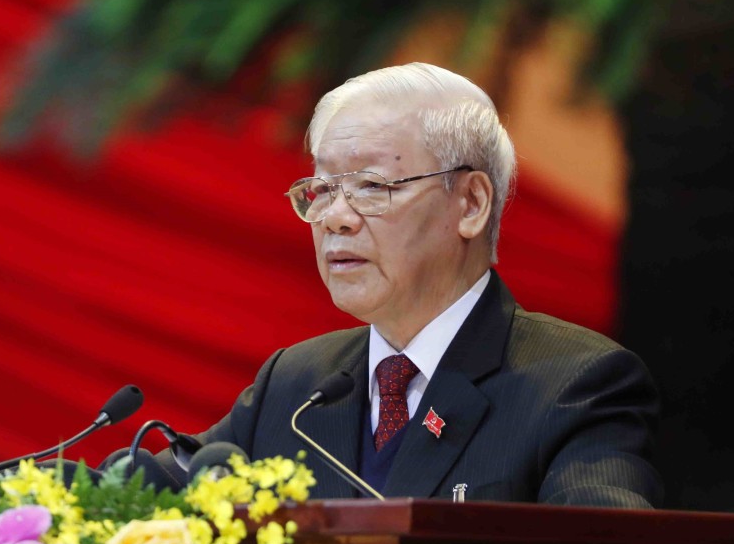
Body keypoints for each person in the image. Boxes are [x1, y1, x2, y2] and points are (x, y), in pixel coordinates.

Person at [133, 62, 664, 508]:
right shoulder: (297, 385)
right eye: (321, 189)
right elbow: (148, 492)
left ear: (472, 204)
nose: (335, 217)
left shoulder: (576, 385)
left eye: (370, 186)